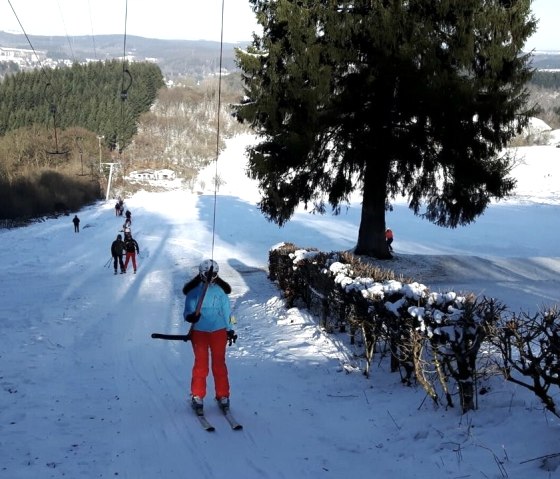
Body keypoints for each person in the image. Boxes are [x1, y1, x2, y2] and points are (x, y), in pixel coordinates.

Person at [183, 259, 236, 414]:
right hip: (199, 333)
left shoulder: (220, 292)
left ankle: (223, 395)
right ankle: (198, 395)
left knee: (219, 364)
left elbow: (228, 312)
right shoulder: (194, 292)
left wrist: (231, 328)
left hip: (218, 332)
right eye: (208, 274)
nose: (211, 277)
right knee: (201, 365)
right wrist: (190, 317)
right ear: (201, 273)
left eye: (214, 274)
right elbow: (187, 311)